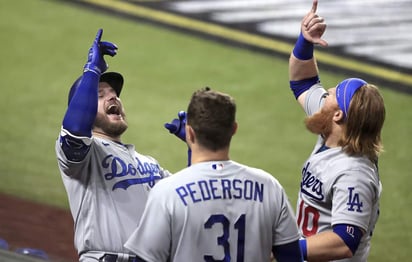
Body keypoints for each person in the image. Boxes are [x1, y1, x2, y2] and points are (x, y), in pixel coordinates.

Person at [124, 87, 303, 262]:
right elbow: (292, 257)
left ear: (190, 132)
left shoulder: (167, 193)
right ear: (233, 129)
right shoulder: (269, 187)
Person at [55, 29, 171, 261]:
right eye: (99, 95)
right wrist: (92, 70)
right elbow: (76, 128)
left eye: (114, 94)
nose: (113, 98)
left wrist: (195, 147)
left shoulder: (150, 164)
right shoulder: (83, 157)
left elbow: (186, 200)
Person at [288, 1, 386, 261]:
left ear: (338, 115)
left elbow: (344, 242)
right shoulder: (332, 129)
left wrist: (285, 252)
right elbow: (302, 82)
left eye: (333, 93)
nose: (327, 91)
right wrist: (305, 41)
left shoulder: (354, 173)